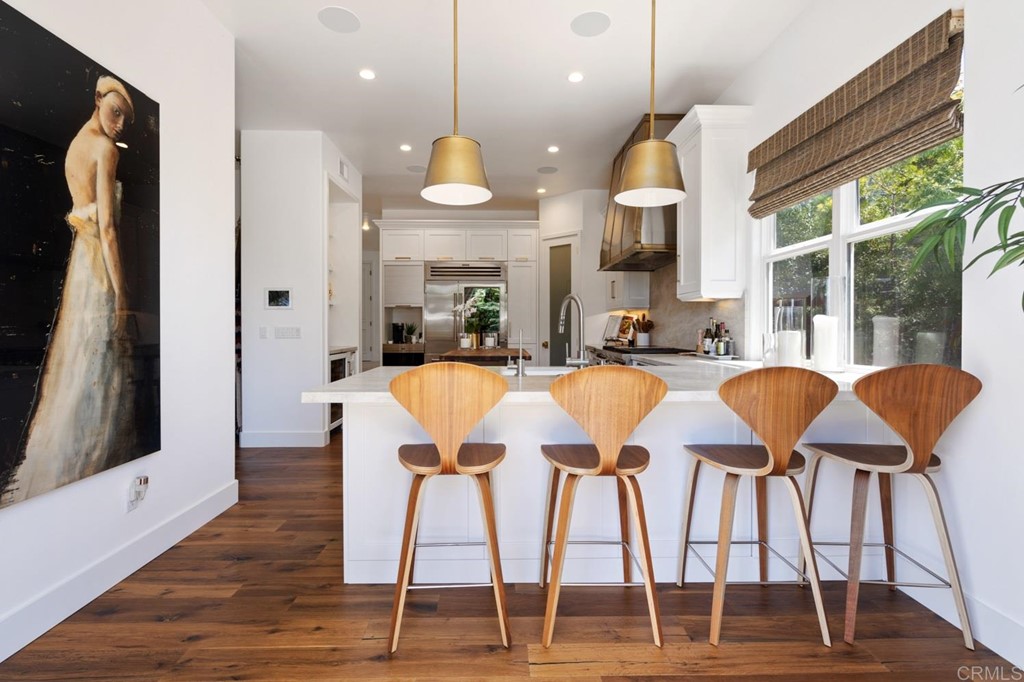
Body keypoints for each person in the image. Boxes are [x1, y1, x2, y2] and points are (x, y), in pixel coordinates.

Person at [9, 76, 137, 502]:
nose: (119, 125)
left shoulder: (75, 148)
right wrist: (122, 294)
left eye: (125, 120)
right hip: (98, 264)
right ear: (98, 100)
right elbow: (109, 230)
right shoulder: (102, 149)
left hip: (80, 264)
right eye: (115, 112)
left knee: (78, 359)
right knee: (98, 359)